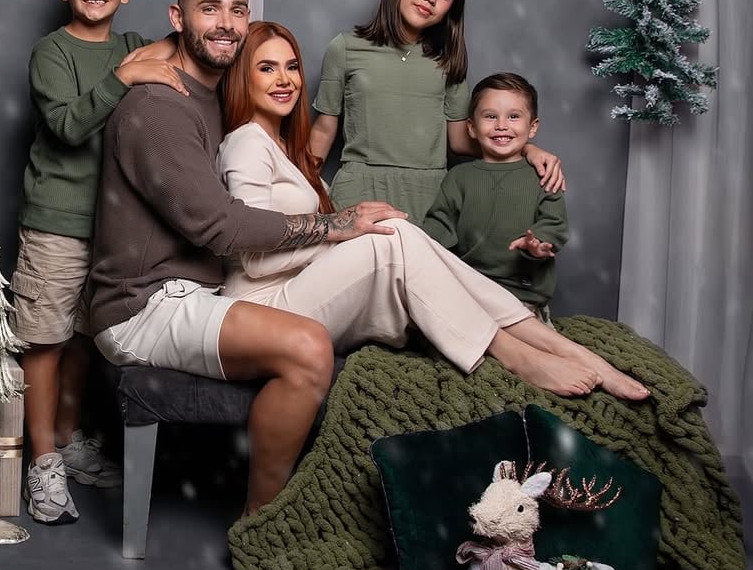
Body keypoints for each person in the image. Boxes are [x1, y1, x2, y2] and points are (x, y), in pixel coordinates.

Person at [88, 0, 405, 515]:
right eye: (209, 8)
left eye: (237, 10)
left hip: (198, 293)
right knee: (309, 347)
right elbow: (221, 226)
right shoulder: (155, 107)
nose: (226, 23)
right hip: (140, 308)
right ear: (178, 16)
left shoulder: (209, 95)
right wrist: (337, 224)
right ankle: (264, 523)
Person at [216, 20, 649, 401]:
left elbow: (469, 138)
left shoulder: (289, 151)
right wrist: (340, 232)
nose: (285, 79)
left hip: (300, 296)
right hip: (261, 310)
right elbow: (253, 256)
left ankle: (562, 348)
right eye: (267, 68)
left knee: (396, 234)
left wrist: (527, 149)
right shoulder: (246, 143)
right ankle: (514, 353)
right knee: (392, 233)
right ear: (243, 78)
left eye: (291, 67)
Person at [16, 0, 183, 524]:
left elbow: (190, 45)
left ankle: (68, 436)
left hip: (116, 226)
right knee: (46, 337)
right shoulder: (52, 52)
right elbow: (67, 126)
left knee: (88, 334)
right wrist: (128, 77)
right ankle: (41, 462)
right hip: (57, 222)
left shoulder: (138, 45)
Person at [308, 0, 564, 224]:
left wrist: (525, 149)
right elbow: (324, 128)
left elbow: (459, 140)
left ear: (450, 10)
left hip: (428, 196)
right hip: (360, 191)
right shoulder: (345, 48)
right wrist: (306, 191)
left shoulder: (448, 60)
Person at [422, 73, 567, 321]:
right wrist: (411, 241)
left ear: (532, 127)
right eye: (490, 116)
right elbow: (439, 226)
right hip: (471, 292)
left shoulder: (544, 174)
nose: (501, 125)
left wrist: (538, 244)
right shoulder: (459, 177)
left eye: (513, 116)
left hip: (524, 297)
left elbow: (554, 223)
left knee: (523, 352)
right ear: (471, 127)